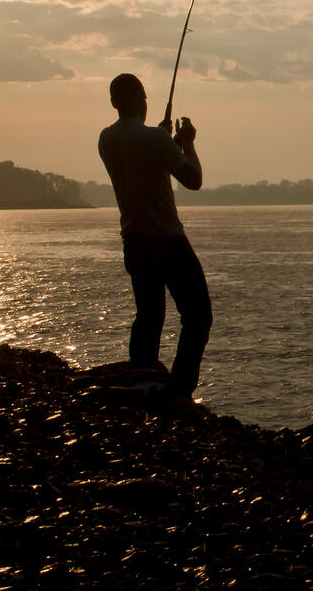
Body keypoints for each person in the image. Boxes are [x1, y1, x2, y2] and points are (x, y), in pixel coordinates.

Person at [98, 73, 211, 399]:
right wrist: (187, 141)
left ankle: (142, 380)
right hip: (168, 241)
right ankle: (179, 391)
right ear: (141, 100)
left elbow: (146, 162)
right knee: (198, 315)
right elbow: (192, 180)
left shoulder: (106, 139)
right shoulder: (155, 140)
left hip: (134, 242)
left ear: (114, 103)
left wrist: (166, 142)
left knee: (149, 316)